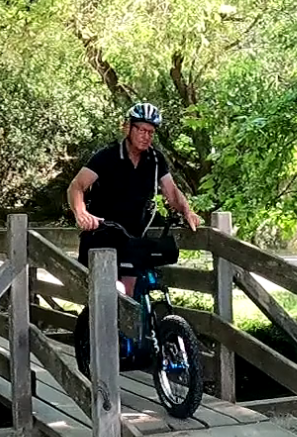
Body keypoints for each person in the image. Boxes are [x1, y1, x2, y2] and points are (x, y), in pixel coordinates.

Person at [66, 102, 201, 296]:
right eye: (142, 130)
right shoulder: (107, 156)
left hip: (132, 240)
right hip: (101, 235)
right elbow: (76, 186)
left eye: (151, 132)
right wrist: (81, 212)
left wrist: (187, 211)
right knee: (106, 295)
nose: (146, 136)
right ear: (128, 127)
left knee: (128, 295)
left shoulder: (155, 160)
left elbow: (172, 192)